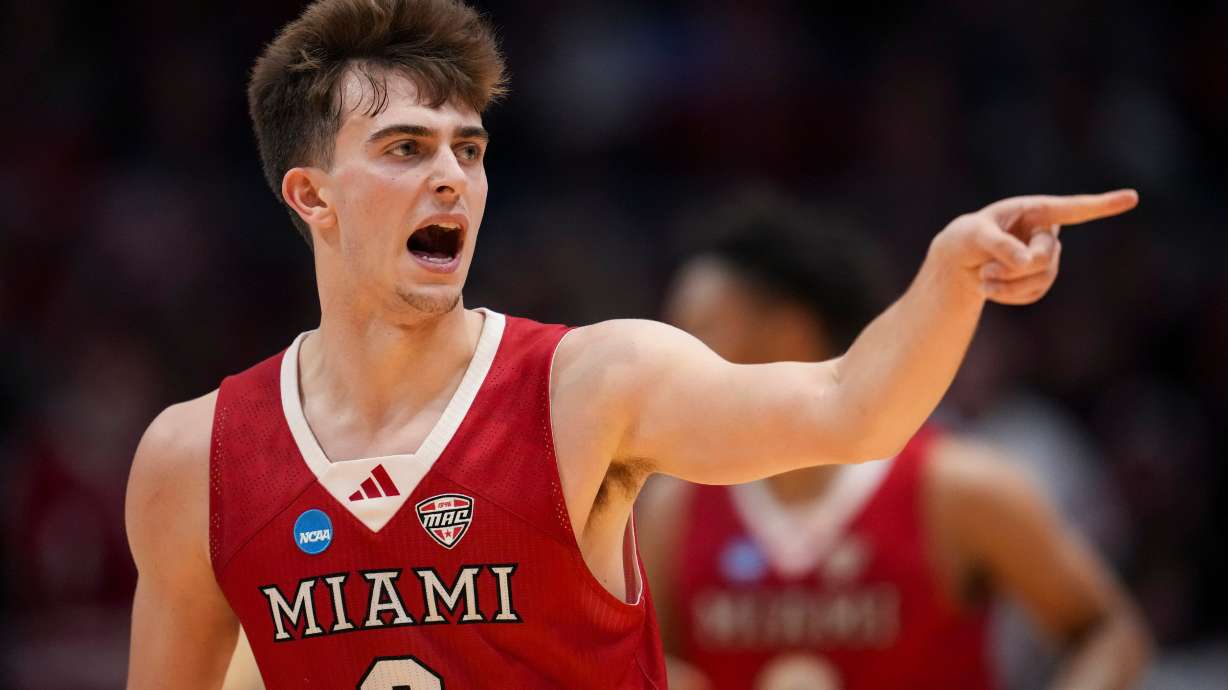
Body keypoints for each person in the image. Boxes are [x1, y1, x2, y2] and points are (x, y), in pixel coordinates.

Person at [122, 0, 1138, 688]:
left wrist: (950, 276)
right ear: (311, 196)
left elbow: (849, 408)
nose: (451, 179)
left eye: (467, 151)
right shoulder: (190, 460)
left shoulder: (591, 384)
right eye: (404, 149)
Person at [638, 194, 1150, 690]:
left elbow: (1110, 633)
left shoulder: (958, 486)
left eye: (698, 328)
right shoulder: (674, 508)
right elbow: (643, 670)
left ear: (788, 332)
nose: (676, 356)